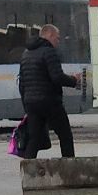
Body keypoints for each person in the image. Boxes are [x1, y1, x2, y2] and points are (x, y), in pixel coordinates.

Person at [16, 23, 82, 160]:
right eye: (57, 38)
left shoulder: (26, 53)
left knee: (34, 138)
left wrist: (26, 104)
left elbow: (22, 82)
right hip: (49, 101)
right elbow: (57, 77)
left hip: (31, 103)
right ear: (50, 35)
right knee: (65, 134)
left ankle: (28, 167)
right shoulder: (49, 52)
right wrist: (74, 80)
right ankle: (69, 165)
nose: (58, 41)